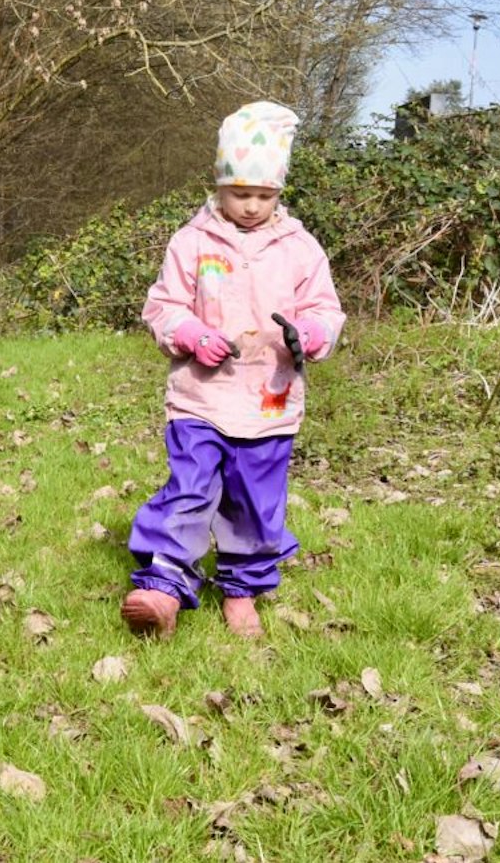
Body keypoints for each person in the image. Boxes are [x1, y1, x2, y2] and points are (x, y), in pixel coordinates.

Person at [120, 101, 345, 640]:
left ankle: (242, 589)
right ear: (219, 186)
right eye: (239, 193)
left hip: (270, 400)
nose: (250, 206)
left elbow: (326, 310)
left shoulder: (299, 248)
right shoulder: (192, 242)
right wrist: (192, 336)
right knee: (190, 489)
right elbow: (163, 306)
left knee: (254, 499)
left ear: (279, 193)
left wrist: (308, 336)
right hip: (200, 398)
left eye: (264, 196)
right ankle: (163, 587)